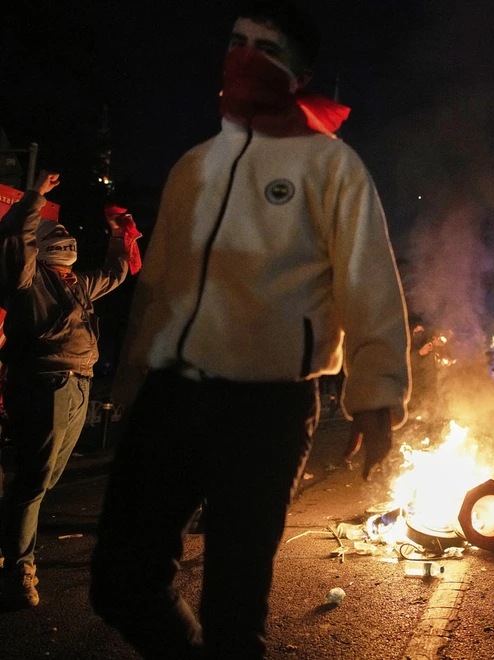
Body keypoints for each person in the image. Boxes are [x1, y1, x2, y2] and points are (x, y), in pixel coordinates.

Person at [89, 4, 410, 658]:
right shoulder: (194, 166)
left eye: (265, 47)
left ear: (299, 73)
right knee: (121, 581)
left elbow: (369, 282)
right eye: (237, 41)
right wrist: (133, 377)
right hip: (173, 396)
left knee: (234, 614)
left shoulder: (330, 166)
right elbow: (158, 285)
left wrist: (375, 399)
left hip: (267, 407)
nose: (244, 57)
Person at [0, 172, 130, 608]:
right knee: (35, 480)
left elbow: (116, 272)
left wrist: (118, 234)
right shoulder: (27, 280)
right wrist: (35, 197)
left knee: (47, 477)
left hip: (78, 383)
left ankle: (11, 546)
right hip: (45, 382)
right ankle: (18, 570)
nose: (66, 239)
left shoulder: (77, 285)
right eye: (55, 235)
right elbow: (17, 240)